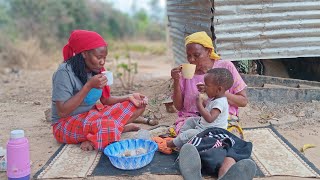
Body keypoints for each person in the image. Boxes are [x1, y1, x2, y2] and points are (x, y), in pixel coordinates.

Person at [51, 30, 147, 151]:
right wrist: (88, 86)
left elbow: (106, 100)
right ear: (84, 54)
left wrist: (130, 97)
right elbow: (62, 112)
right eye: (99, 57)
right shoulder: (64, 72)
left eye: (104, 58)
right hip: (65, 124)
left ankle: (106, 131)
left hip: (92, 117)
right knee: (109, 126)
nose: (102, 62)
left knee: (137, 105)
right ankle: (113, 130)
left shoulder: (96, 69)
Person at [170, 31, 249, 178]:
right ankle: (213, 167)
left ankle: (217, 169)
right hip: (193, 119)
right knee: (189, 137)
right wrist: (176, 81)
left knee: (229, 139)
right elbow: (179, 107)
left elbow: (243, 101)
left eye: (196, 55)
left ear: (208, 51)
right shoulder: (185, 73)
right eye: (188, 56)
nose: (192, 60)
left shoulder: (225, 68)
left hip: (222, 120)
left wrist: (219, 92)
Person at [154, 68, 233, 154]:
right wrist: (203, 99)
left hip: (210, 132)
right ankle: (180, 139)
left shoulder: (220, 102)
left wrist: (199, 104)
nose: (204, 87)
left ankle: (170, 144)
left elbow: (210, 118)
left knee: (190, 134)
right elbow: (207, 110)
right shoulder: (215, 97)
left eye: (207, 85)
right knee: (190, 120)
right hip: (204, 125)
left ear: (219, 89)